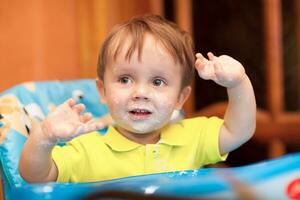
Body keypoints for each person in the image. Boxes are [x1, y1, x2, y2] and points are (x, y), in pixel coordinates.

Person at [19, 15, 256, 183]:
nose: (140, 92)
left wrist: (238, 83)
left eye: (157, 82)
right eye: (125, 79)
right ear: (102, 91)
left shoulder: (193, 137)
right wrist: (45, 136)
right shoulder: (87, 151)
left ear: (180, 99)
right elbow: (35, 177)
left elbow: (239, 131)